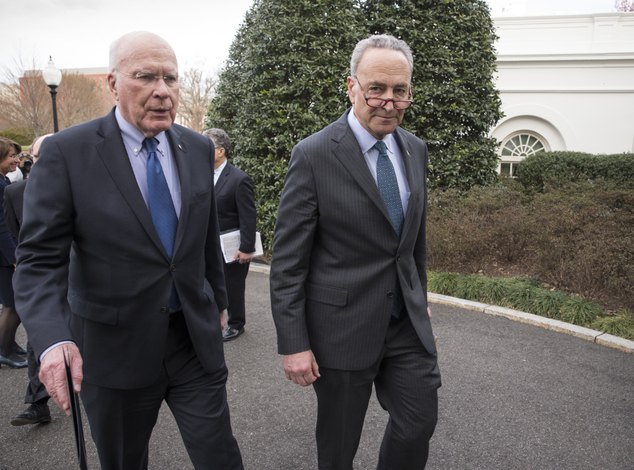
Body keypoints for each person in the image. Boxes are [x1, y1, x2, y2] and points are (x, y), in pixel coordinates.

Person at [14, 31, 243, 469]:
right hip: (113, 352)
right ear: (113, 84)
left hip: (192, 342)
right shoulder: (68, 153)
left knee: (220, 457)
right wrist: (52, 338)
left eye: (170, 79)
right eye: (145, 77)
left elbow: (203, 233)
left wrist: (217, 300)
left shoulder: (195, 147)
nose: (162, 91)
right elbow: (39, 261)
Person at [270, 35, 441, 470]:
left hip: (405, 327)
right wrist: (294, 344)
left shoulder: (415, 149)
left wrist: (419, 310)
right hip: (340, 331)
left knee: (417, 425)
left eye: (400, 90)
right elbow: (288, 262)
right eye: (376, 88)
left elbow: (411, 245)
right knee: (338, 446)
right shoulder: (312, 155)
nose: (389, 101)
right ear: (351, 87)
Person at [5, 134, 52, 425]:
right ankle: (38, 403)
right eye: (39, 156)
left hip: (85, 279)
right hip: (41, 280)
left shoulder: (87, 188)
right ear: (31, 159)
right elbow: (14, 233)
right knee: (38, 339)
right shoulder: (15, 193)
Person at [203, 128, 256, 342]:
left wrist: (246, 247)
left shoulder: (239, 179)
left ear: (221, 151)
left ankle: (236, 324)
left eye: (207, 146)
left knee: (233, 285)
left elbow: (248, 216)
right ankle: (212, 318)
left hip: (231, 245)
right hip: (206, 243)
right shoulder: (200, 174)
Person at [0, 137, 26, 369]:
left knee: (14, 302)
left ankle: (10, 344)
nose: (16, 160)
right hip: (5, 256)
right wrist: (16, 258)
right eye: (11, 156)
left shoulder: (3, 181)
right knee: (13, 304)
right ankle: (4, 350)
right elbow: (1, 227)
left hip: (6, 254)